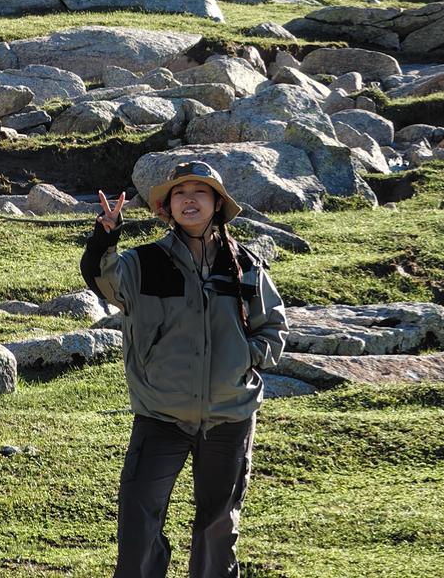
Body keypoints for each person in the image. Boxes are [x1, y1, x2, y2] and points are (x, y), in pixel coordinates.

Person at [80, 161, 288, 578]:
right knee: (139, 519)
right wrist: (105, 235)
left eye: (200, 192)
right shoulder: (143, 263)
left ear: (217, 205)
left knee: (217, 525)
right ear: (167, 208)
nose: (189, 199)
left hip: (230, 415)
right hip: (161, 415)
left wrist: (245, 358)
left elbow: (274, 326)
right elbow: (102, 279)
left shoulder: (244, 265)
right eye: (179, 193)